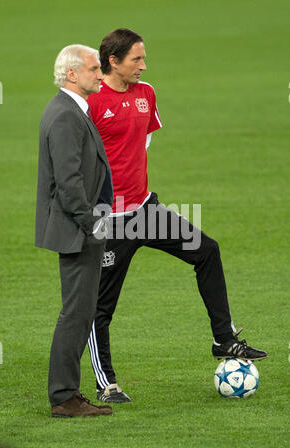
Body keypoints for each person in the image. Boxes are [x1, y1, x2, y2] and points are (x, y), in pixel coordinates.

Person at [87, 29, 268, 403]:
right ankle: (107, 384)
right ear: (113, 62)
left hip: (145, 210)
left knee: (207, 250)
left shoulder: (145, 93)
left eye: (144, 57)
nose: (143, 65)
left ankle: (224, 340)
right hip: (110, 220)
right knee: (100, 307)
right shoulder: (91, 103)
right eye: (136, 59)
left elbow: (141, 141)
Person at [35, 44, 114, 417]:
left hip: (81, 228)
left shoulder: (70, 109)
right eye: (94, 68)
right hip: (78, 230)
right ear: (72, 74)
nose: (101, 74)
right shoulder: (66, 115)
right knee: (76, 313)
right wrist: (93, 224)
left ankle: (67, 393)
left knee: (80, 311)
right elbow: (68, 183)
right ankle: (64, 397)